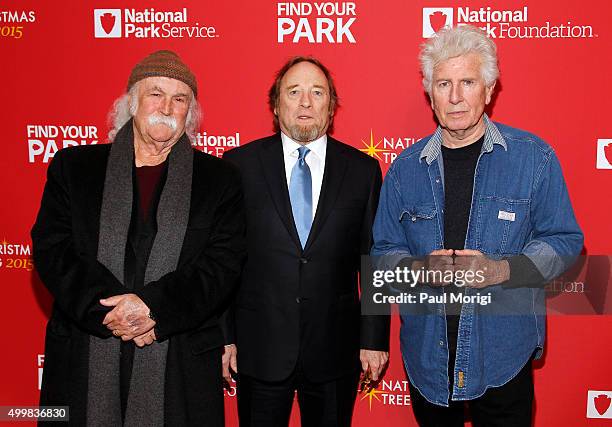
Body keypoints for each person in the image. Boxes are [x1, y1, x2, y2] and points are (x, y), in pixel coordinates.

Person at [371, 25, 583, 426]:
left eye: (467, 82)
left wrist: (502, 269)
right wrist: (417, 271)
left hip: (503, 355)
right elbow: (382, 255)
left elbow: (566, 241)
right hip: (428, 360)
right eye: (444, 83)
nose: (455, 97)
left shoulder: (533, 159)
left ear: (488, 90)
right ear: (429, 93)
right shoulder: (403, 171)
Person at [31, 50, 245, 426]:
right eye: (155, 94)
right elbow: (54, 250)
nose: (166, 106)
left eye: (180, 99)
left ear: (190, 114)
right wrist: (112, 312)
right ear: (131, 102)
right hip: (86, 349)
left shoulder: (220, 179)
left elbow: (221, 266)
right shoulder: (74, 167)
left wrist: (152, 308)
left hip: (178, 359)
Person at [222, 56, 390, 427]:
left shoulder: (362, 171)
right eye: (294, 92)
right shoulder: (237, 166)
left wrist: (375, 338)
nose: (305, 102)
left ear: (331, 106)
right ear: (275, 103)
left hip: (335, 350)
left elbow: (375, 260)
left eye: (317, 93)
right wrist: (225, 336)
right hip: (259, 347)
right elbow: (223, 261)